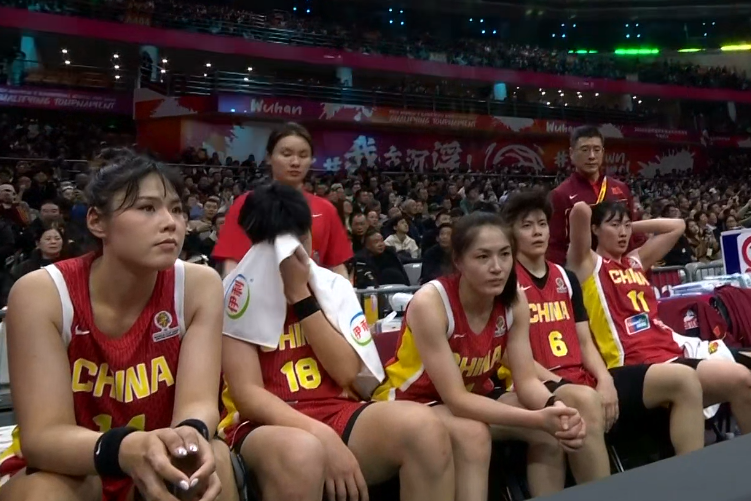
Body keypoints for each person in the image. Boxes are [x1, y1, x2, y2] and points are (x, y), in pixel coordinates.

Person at [0, 149, 237, 501]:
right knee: (43, 492)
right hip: (77, 463)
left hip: (162, 455)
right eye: (147, 208)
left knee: (211, 459)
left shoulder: (199, 284)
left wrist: (188, 435)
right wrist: (126, 449)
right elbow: (43, 437)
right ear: (97, 222)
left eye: (176, 209)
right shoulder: (42, 293)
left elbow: (198, 404)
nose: (170, 222)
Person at [219, 183, 455, 501]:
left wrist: (301, 297)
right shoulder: (236, 293)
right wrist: (320, 435)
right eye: (278, 242)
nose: (292, 252)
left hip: (336, 410)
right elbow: (248, 396)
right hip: (265, 423)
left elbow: (347, 373)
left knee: (424, 427)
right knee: (303, 452)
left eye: (300, 237)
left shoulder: (332, 287)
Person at [372, 211, 587, 500]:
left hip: (471, 398)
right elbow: (457, 400)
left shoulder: (515, 301)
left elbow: (526, 382)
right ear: (459, 261)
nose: (497, 267)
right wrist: (538, 418)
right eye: (483, 257)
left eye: (505, 254)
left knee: (550, 431)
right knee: (472, 434)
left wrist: (554, 408)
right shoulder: (431, 303)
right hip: (412, 402)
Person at [502, 190, 705, 462]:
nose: (537, 232)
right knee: (579, 409)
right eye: (527, 226)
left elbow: (584, 342)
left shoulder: (565, 277)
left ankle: (694, 475)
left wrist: (605, 380)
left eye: (542, 224)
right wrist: (593, 187)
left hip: (589, 374)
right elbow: (581, 211)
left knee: (684, 379)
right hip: (540, 382)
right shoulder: (506, 283)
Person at [566, 200, 751, 433]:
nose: (623, 233)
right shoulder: (588, 264)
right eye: (614, 225)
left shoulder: (635, 261)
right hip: (633, 363)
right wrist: (600, 199)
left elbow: (677, 226)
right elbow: (580, 211)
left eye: (626, 226)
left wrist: (631, 225)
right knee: (710, 378)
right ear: (595, 229)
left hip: (670, 351)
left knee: (744, 379)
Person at [212, 122, 352, 279]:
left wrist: (345, 293)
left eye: (303, 155)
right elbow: (231, 263)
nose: (295, 162)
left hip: (309, 293)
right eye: (286, 154)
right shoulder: (247, 203)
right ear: (269, 157)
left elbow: (338, 266)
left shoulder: (326, 209)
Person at [547, 125, 642, 265]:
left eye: (596, 150)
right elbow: (555, 247)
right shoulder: (560, 195)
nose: (591, 156)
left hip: (619, 269)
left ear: (602, 152)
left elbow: (633, 233)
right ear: (571, 153)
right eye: (585, 150)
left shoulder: (621, 189)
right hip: (584, 271)